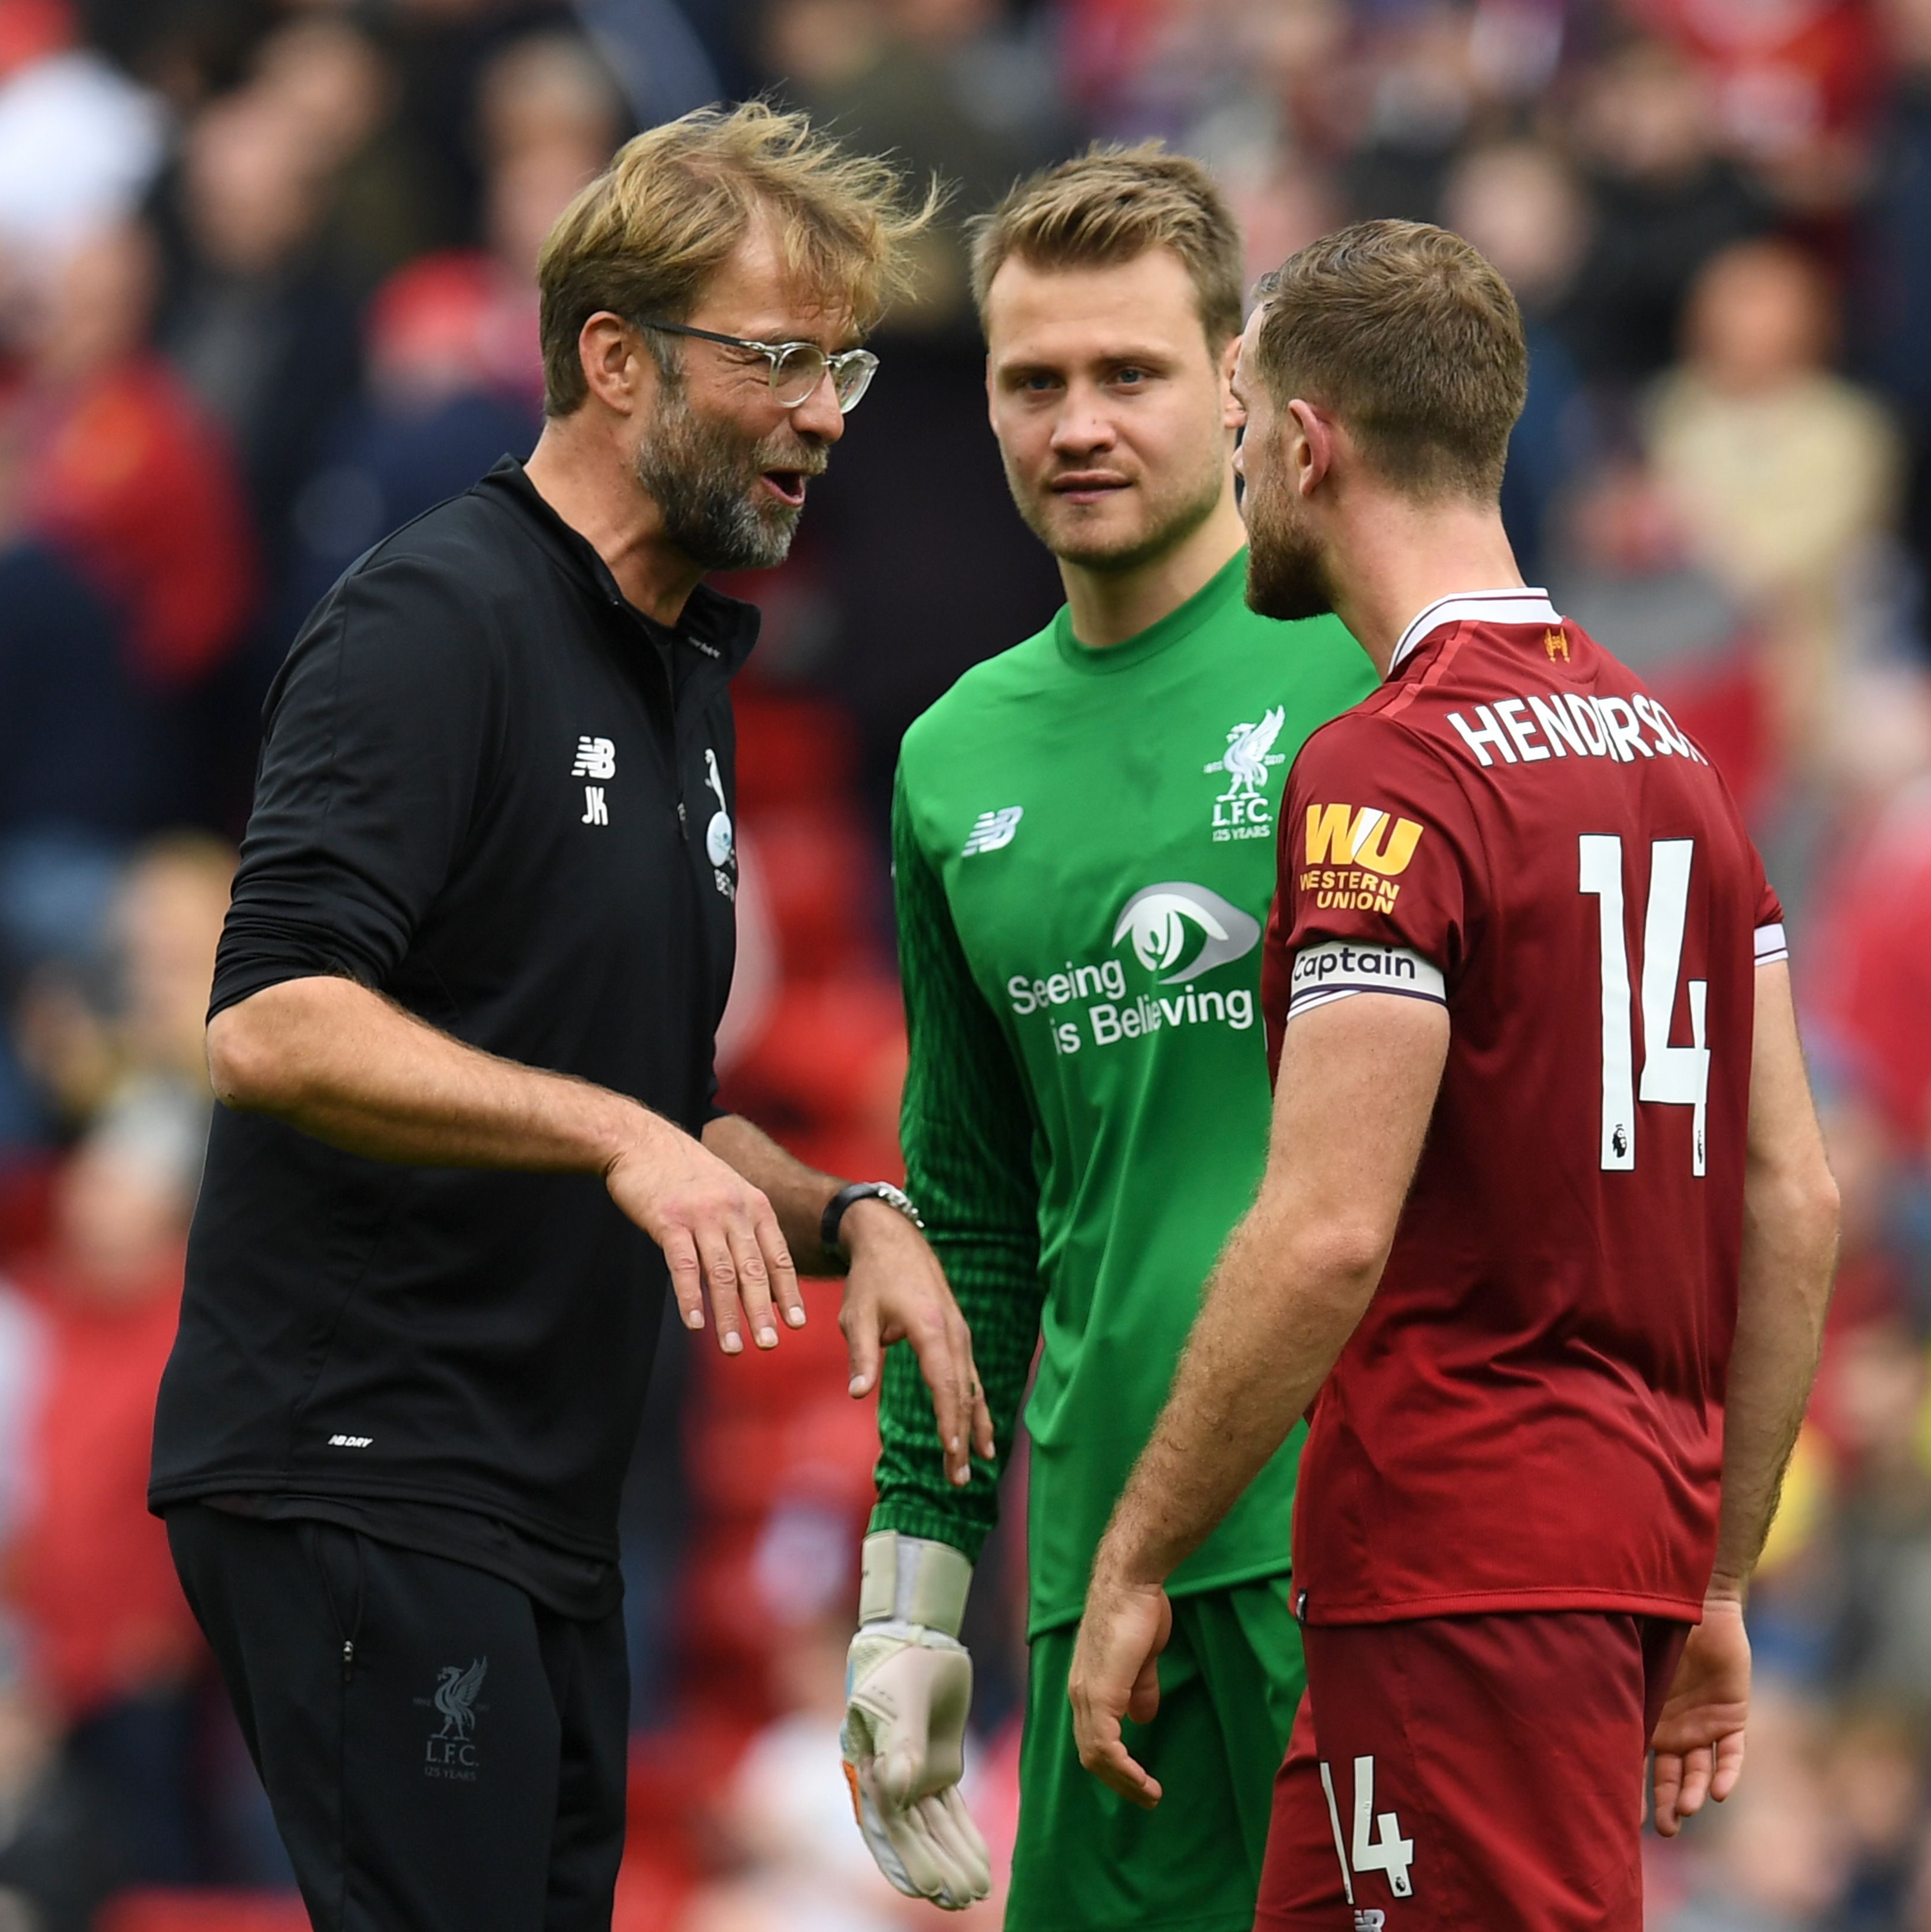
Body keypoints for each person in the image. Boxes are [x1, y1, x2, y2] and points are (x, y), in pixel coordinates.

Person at [148, 103, 990, 1932]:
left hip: (531, 1495)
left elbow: (658, 1117)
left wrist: (856, 1218)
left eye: (839, 364)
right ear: (613, 358)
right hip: (369, 1459)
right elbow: (274, 1018)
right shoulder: (433, 616)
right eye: (777, 359)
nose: (829, 413)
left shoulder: (674, 675)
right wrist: (619, 1136)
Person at [1064, 220, 1842, 1929]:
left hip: (1461, 1555)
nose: (1243, 471)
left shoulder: (1384, 775)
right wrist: (1711, 1575)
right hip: (1584, 1554)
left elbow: (1328, 1228)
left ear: (1314, 443)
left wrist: (1138, 1553)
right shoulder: (1677, 761)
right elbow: (1796, 1198)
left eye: (1250, 428)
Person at [843, 145, 1374, 1921]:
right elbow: (970, 1212)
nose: (1078, 423)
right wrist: (917, 1586)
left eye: (1129, 374)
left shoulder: (1378, 667)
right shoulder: (951, 758)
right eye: (1034, 381)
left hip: (1367, 1554)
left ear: (1238, 383)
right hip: (1097, 1602)